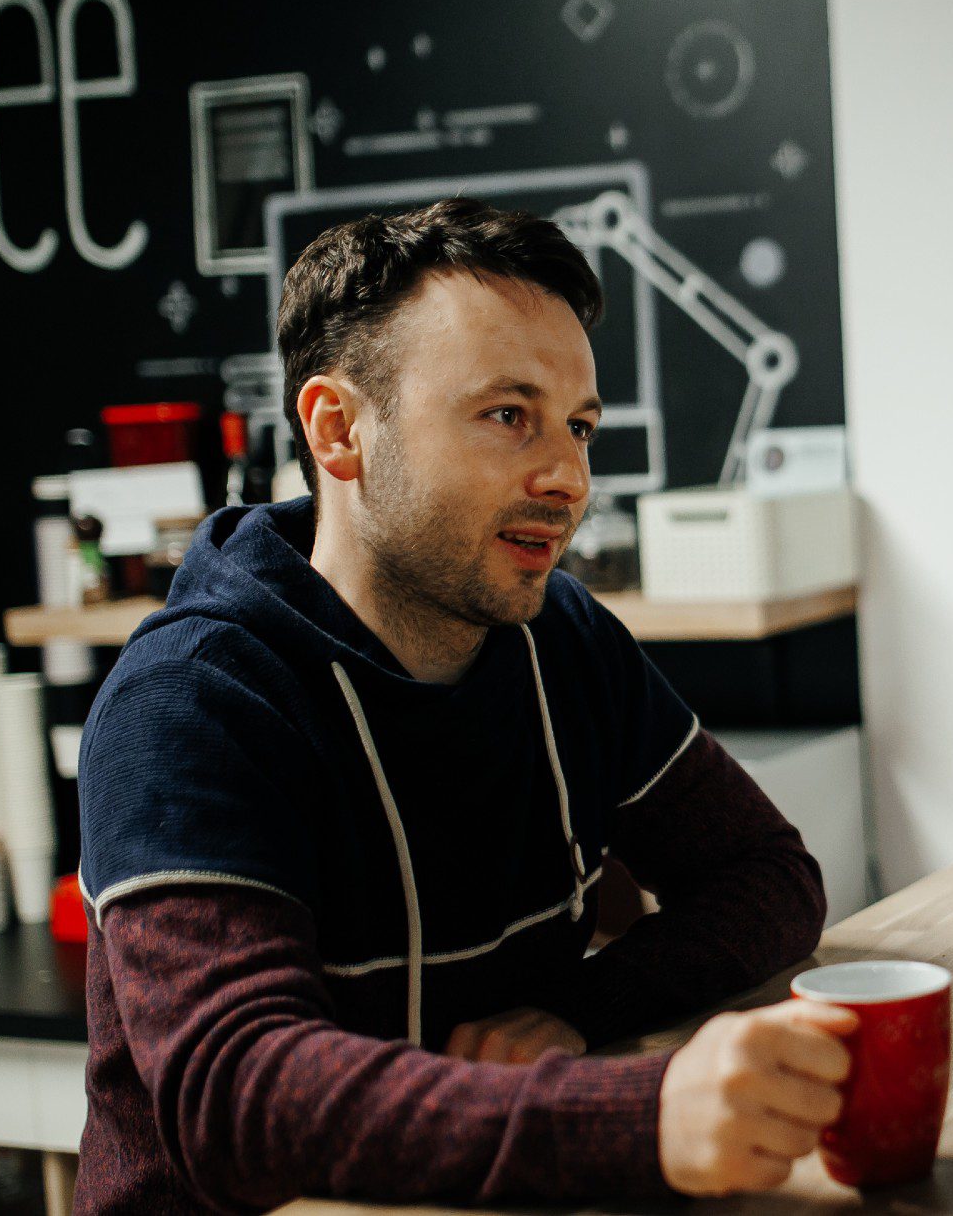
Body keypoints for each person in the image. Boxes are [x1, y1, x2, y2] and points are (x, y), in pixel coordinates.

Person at [76, 198, 859, 1213]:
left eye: (578, 426)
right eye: (507, 415)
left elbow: (769, 878)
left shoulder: (563, 641)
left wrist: (569, 1012)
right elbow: (238, 1099)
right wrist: (633, 1113)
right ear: (339, 429)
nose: (569, 477)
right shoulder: (189, 703)